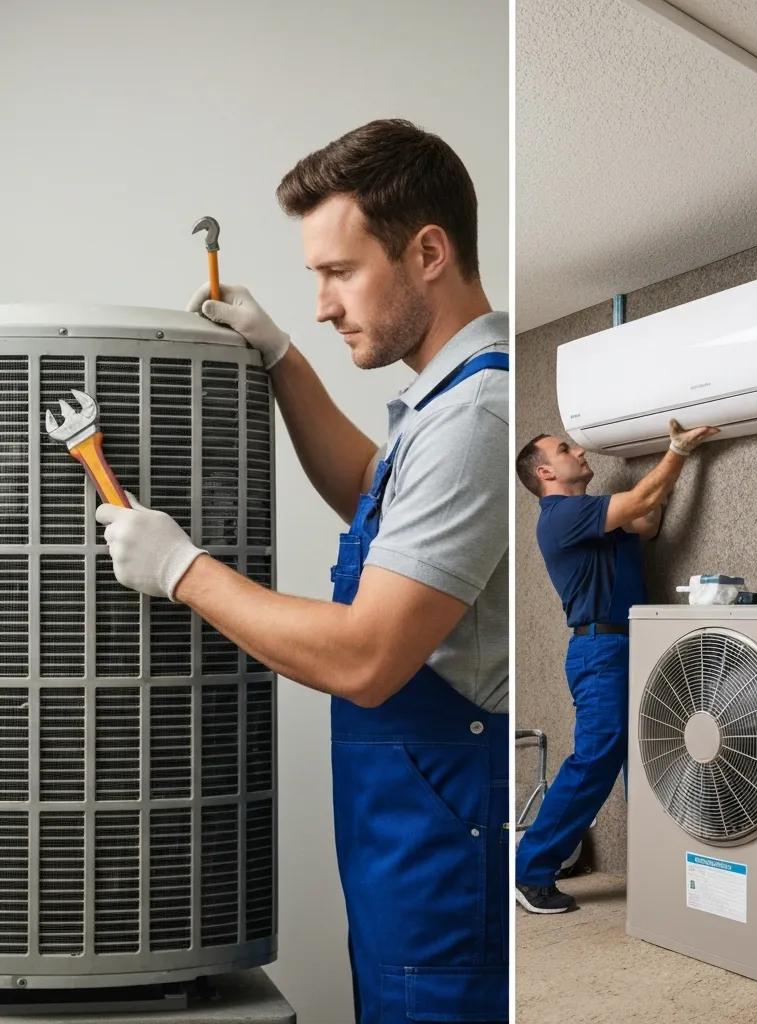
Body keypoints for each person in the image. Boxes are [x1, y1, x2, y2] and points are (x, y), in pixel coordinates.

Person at [97, 120, 509, 1023]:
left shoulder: (478, 414)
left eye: (339, 272)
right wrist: (282, 359)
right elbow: (372, 490)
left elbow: (366, 657)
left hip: (442, 864)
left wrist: (181, 569)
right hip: (408, 850)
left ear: (428, 253)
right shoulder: (443, 404)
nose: (323, 304)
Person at [512, 421, 716, 913]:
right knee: (596, 758)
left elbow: (648, 520)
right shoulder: (562, 516)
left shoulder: (594, 518)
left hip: (632, 643)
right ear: (545, 473)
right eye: (565, 449)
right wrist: (677, 451)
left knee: (647, 758)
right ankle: (530, 871)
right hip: (600, 650)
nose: (579, 452)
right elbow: (643, 501)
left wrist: (658, 471)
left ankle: (657, 864)